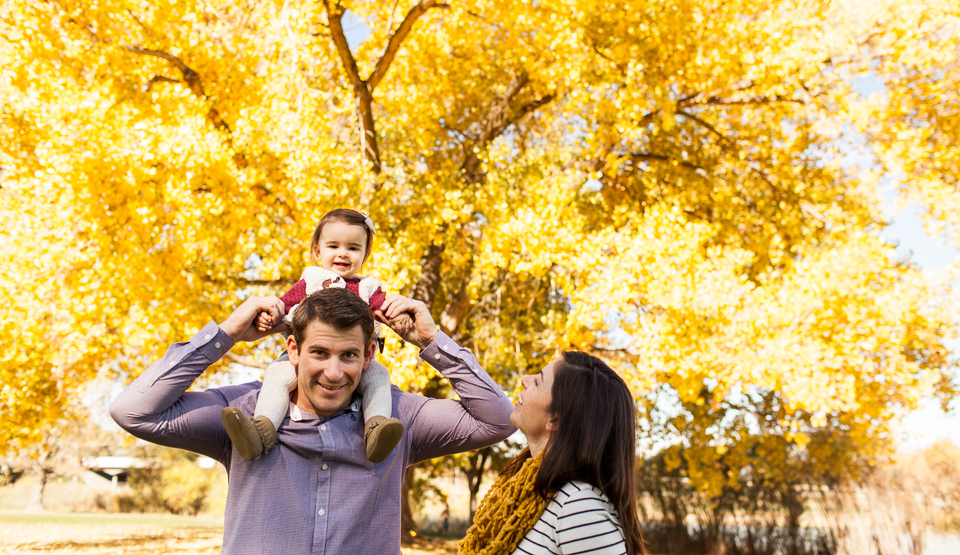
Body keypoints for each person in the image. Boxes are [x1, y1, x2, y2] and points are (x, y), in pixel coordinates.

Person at [110, 288, 515, 554]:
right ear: (293, 350)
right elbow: (133, 410)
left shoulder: (398, 416)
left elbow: (500, 420)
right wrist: (228, 332)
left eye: (349, 356)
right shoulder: (245, 411)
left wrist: (433, 342)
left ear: (369, 356)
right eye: (319, 353)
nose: (335, 373)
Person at [222, 208, 406, 463]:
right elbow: (283, 305)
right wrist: (269, 315)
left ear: (365, 255)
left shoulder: (367, 288)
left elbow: (386, 311)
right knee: (277, 375)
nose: (343, 253)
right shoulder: (311, 281)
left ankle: (376, 430)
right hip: (303, 360)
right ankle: (261, 431)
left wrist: (401, 315)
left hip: (356, 360)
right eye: (333, 246)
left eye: (353, 248)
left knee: (379, 376)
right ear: (318, 251)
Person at [459, 351, 647, 555]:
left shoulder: (579, 506)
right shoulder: (525, 490)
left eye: (538, 382)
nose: (524, 380)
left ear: (555, 420)